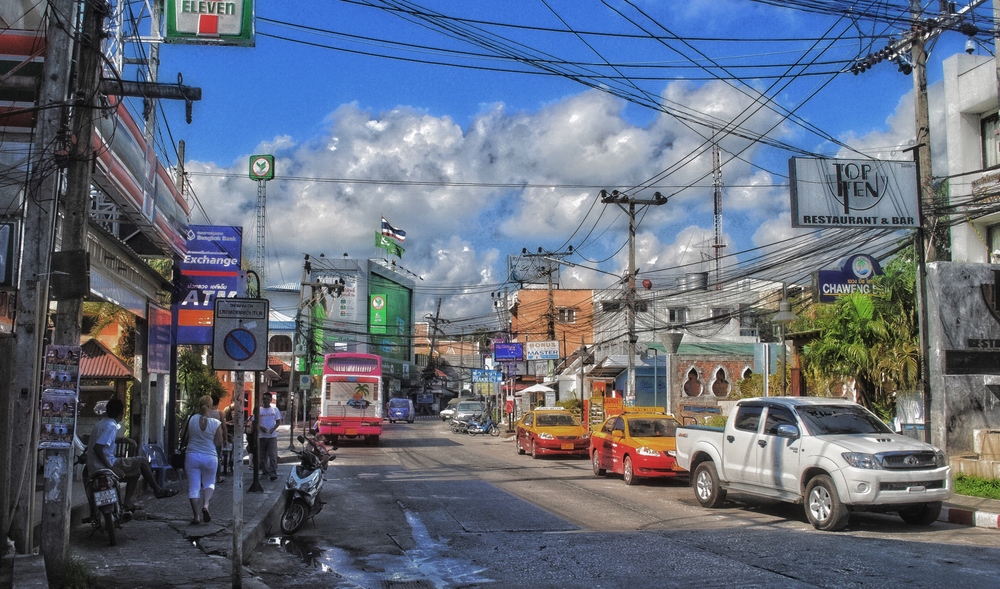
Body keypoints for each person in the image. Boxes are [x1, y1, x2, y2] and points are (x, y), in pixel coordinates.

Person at [86, 399, 177, 511]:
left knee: (136, 473)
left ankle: (127, 503)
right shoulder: (112, 426)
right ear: (121, 413)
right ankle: (157, 490)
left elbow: (104, 441)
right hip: (107, 464)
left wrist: (123, 439)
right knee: (142, 461)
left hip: (93, 466)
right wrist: (111, 468)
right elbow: (98, 448)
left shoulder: (101, 423)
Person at [183, 395, 224, 525]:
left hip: (192, 456)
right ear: (211, 407)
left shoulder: (191, 419)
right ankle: (205, 506)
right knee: (209, 482)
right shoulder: (215, 423)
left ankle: (196, 516)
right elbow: (219, 442)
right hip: (210, 456)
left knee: (194, 486)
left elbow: (183, 436)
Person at [257, 392, 282, 481]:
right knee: (263, 456)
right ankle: (265, 472)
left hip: (272, 436)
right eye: (264, 399)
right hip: (261, 436)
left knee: (272, 455)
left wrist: (273, 428)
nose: (266, 400)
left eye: (267, 399)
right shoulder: (259, 410)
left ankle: (273, 473)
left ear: (271, 400)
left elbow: (278, 422)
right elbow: (254, 422)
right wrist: (260, 427)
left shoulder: (275, 410)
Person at [208, 394, 226, 483]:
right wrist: (225, 438)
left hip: (207, 439)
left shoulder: (206, 413)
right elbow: (224, 426)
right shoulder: (219, 413)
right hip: (217, 439)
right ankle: (218, 476)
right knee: (217, 458)